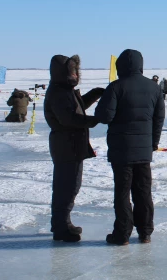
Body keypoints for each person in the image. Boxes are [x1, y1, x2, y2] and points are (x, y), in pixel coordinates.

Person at [95, 49, 165, 246]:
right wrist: (153, 143)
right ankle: (145, 232)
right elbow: (158, 119)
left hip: (121, 150)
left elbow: (104, 116)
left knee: (123, 192)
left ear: (121, 67)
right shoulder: (154, 88)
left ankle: (122, 234)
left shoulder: (116, 87)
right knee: (143, 192)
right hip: (143, 151)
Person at [44, 54, 105, 242]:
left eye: (76, 71)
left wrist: (95, 93)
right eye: (72, 71)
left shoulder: (64, 90)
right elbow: (69, 119)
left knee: (68, 186)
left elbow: (77, 109)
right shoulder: (59, 92)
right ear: (63, 73)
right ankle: (62, 227)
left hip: (69, 145)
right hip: (66, 146)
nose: (75, 75)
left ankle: (61, 223)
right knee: (67, 187)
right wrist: (97, 119)